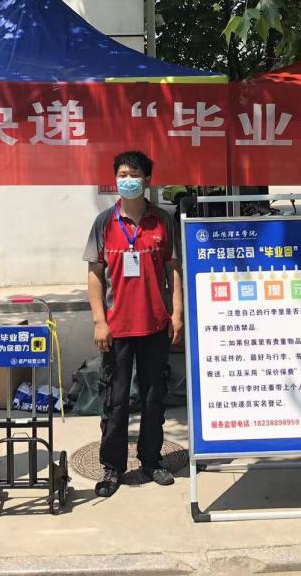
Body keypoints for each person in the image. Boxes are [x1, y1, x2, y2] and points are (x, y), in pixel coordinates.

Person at [84, 150, 183, 497]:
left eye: (135, 174)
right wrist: (99, 321)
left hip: (155, 325)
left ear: (147, 180)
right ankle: (112, 467)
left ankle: (151, 461)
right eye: (123, 174)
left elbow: (173, 269)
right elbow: (95, 275)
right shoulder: (104, 223)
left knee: (155, 397)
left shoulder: (163, 220)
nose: (128, 180)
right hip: (117, 329)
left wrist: (177, 313)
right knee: (116, 401)